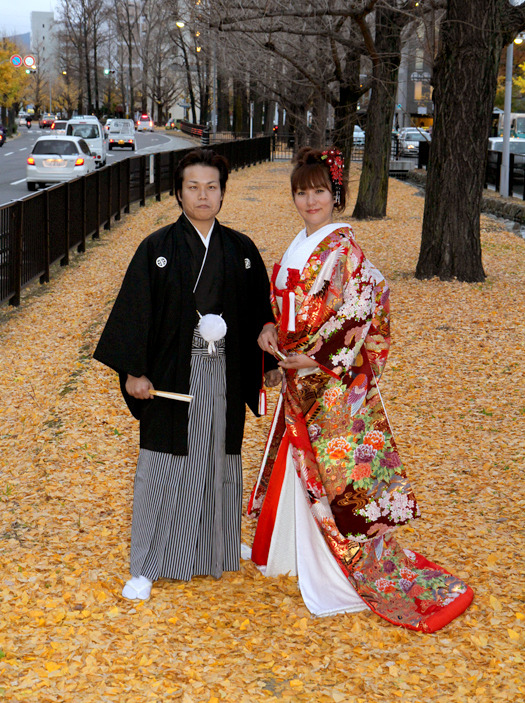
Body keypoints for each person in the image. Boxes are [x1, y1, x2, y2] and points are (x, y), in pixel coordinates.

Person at [251, 146, 473, 632]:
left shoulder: (346, 249)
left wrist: (317, 356)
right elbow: (280, 302)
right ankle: (294, 551)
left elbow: (364, 309)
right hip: (297, 372)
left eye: (320, 193)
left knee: (337, 474)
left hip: (331, 383)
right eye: (302, 193)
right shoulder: (300, 244)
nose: (310, 202)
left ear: (336, 196)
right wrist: (269, 326)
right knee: (304, 464)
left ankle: (337, 568)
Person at [94, 148, 277, 600]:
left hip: (226, 372)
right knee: (164, 464)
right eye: (193, 186)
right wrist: (134, 371)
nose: (203, 195)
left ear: (222, 193)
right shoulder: (156, 248)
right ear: (178, 193)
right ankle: (148, 562)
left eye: (211, 187)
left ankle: (215, 547)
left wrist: (269, 359)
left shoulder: (241, 250)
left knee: (219, 457)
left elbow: (259, 311)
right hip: (172, 373)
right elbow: (135, 312)